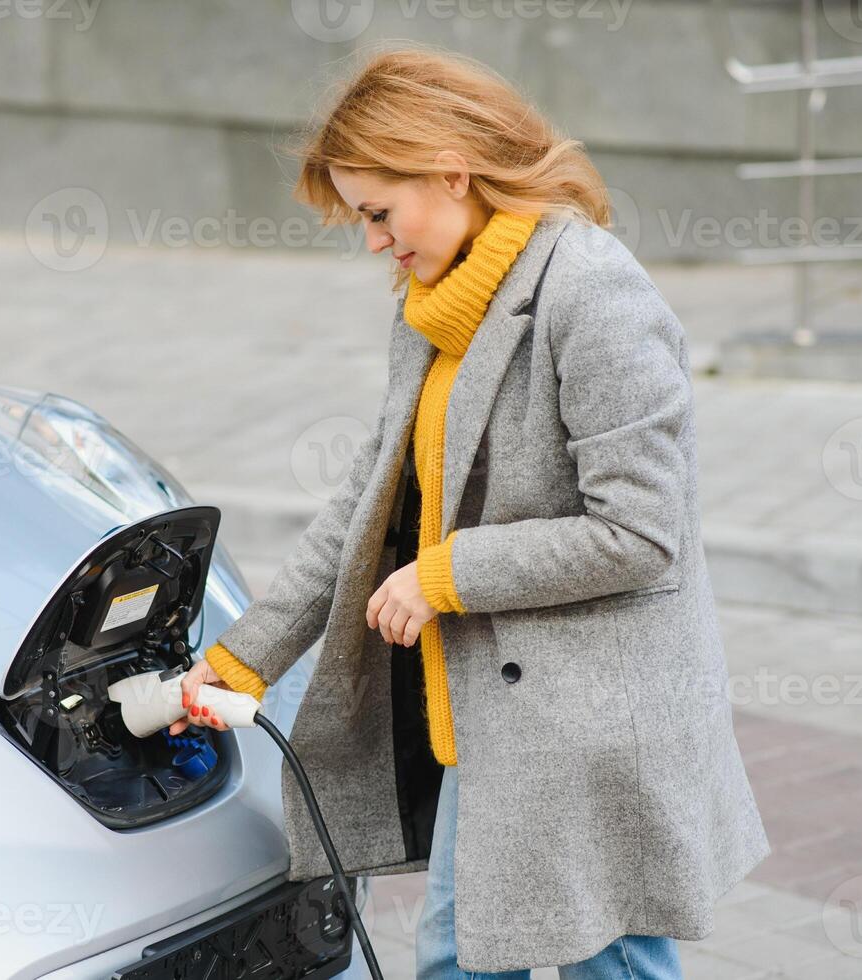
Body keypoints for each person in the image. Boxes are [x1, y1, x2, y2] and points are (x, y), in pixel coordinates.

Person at [166, 43, 770, 978]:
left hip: (591, 724)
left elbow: (643, 533)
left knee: (581, 961)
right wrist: (243, 658)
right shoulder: (432, 305)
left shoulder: (593, 291)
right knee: (467, 956)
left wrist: (447, 574)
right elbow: (365, 506)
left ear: (450, 172)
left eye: (378, 212)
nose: (373, 241)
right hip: (496, 720)